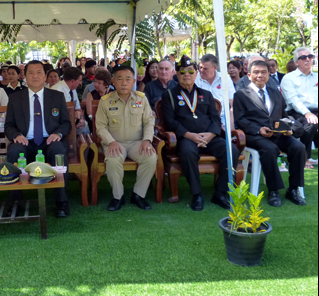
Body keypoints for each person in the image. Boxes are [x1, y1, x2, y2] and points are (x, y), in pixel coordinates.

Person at [161, 55, 240, 211]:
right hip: (186, 138)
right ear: (177, 74)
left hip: (209, 137)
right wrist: (190, 135)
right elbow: (170, 121)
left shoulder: (206, 94)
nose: (187, 75)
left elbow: (215, 119)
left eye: (191, 71)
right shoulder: (169, 95)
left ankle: (220, 193)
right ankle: (197, 194)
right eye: (182, 72)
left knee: (232, 150)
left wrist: (211, 134)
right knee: (188, 153)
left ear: (196, 73)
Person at [234, 60, 307, 206]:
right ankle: (273, 190)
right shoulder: (241, 94)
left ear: (269, 74)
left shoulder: (275, 93)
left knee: (298, 148)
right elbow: (240, 120)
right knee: (269, 149)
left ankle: (293, 189)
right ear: (249, 75)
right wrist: (257, 129)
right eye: (256, 72)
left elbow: (284, 113)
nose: (259, 75)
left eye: (263, 72)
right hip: (255, 135)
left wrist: (288, 128)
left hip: (278, 134)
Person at [4, 60, 71, 218]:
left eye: (39, 72)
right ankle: (15, 202)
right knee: (14, 150)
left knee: (59, 150)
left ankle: (61, 202)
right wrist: (16, 135)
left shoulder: (57, 96)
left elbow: (66, 123)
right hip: (26, 143)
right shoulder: (15, 98)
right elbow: (9, 126)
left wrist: (58, 134)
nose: (35, 76)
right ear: (24, 76)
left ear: (45, 76)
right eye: (30, 72)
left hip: (49, 141)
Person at [95, 66, 157, 211]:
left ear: (134, 81)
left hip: (137, 143)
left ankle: (138, 195)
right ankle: (118, 196)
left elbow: (149, 121)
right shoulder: (105, 101)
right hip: (115, 143)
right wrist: (111, 142)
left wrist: (147, 140)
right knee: (113, 160)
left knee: (150, 157)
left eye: (128, 79)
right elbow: (101, 126)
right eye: (120, 79)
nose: (124, 83)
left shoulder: (141, 99)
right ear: (113, 82)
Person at [280, 47, 318, 168]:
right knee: (310, 122)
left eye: (310, 56)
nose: (308, 59)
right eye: (303, 57)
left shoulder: (316, 76)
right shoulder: (288, 78)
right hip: (296, 111)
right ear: (297, 62)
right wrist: (307, 113)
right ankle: (305, 157)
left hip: (315, 110)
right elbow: (293, 100)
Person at [195, 54, 236, 129]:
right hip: (201, 121)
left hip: (223, 120)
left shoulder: (225, 79)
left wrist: (231, 125)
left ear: (215, 68)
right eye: (200, 67)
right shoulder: (194, 79)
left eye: (205, 68)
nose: (201, 71)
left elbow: (233, 104)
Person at [51, 66, 89, 135]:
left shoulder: (73, 89)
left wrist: (81, 119)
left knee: (85, 127)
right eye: (79, 80)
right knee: (85, 130)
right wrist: (71, 115)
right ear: (72, 81)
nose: (81, 83)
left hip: (72, 122)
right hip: (59, 126)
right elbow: (54, 113)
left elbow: (78, 108)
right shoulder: (56, 90)